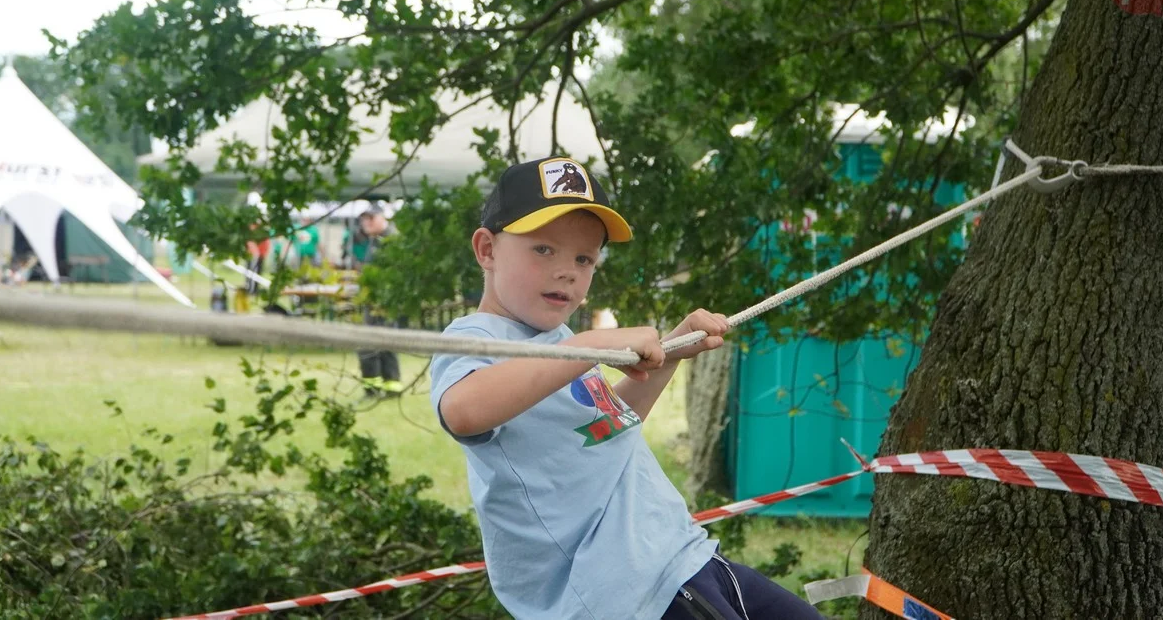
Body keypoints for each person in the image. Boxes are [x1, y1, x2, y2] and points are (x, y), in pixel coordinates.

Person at [429, 158, 824, 620]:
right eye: (543, 250)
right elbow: (462, 411)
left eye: (583, 258)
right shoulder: (476, 339)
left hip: (684, 555)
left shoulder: (558, 341)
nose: (567, 272)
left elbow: (607, 429)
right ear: (487, 250)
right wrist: (590, 344)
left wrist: (670, 353)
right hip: (627, 594)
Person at [348, 207, 403, 398]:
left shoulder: (391, 240)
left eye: (370, 219)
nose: (366, 224)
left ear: (382, 218)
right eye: (364, 220)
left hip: (384, 302)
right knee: (379, 343)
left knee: (374, 343)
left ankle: (380, 389)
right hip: (375, 299)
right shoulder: (376, 239)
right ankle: (381, 387)